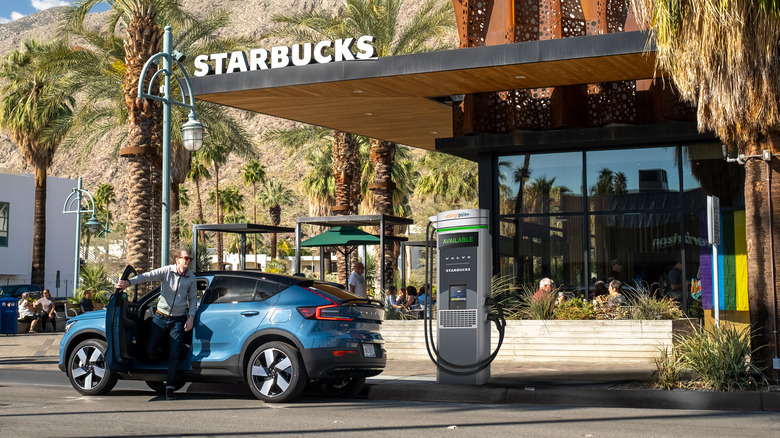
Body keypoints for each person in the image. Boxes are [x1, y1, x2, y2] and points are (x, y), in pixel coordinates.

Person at [116, 249, 197, 401]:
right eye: (185, 258)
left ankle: (170, 388)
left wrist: (191, 317)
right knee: (149, 349)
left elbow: (193, 299)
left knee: (175, 356)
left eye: (189, 259)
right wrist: (129, 283)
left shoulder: (191, 278)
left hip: (178, 321)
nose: (187, 261)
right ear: (177, 259)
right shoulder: (167, 271)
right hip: (160, 317)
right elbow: (147, 276)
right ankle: (159, 352)